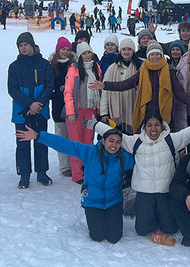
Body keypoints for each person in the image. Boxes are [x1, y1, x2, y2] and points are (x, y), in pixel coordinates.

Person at [90, 111, 190, 237]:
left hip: (165, 193)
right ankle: (151, 215)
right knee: (142, 230)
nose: (153, 129)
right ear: (144, 127)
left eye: (157, 125)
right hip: (144, 194)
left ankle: (160, 215)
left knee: (170, 229)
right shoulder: (135, 141)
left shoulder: (171, 140)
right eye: (149, 125)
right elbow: (113, 133)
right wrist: (95, 125)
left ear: (162, 126)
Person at [16, 124, 134, 243]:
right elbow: (65, 145)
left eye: (118, 142)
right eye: (111, 141)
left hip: (114, 201)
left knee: (114, 238)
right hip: (93, 201)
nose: (114, 145)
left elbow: (143, 159)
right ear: (103, 141)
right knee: (97, 236)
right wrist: (38, 136)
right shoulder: (90, 152)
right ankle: (87, 193)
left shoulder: (125, 158)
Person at [93, 41, 190, 132]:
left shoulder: (168, 71)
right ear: (148, 56)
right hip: (146, 115)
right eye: (152, 54)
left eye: (157, 54)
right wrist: (104, 85)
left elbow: (179, 91)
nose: (155, 57)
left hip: (164, 114)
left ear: (161, 55)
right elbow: (126, 84)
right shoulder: (143, 70)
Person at [8, 31, 54, 189]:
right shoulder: (14, 67)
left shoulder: (44, 64)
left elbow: (49, 86)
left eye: (25, 45)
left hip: (40, 110)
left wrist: (38, 104)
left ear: (32, 45)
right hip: (22, 112)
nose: (23, 48)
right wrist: (29, 104)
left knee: (41, 141)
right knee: (23, 143)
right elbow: (12, 89)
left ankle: (42, 172)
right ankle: (24, 174)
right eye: (20, 46)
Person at [64, 42, 102, 184]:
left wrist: (98, 111)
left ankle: (87, 170)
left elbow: (99, 91)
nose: (87, 55)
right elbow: (68, 92)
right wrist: (71, 112)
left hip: (90, 111)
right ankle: (77, 174)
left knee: (88, 142)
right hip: (76, 112)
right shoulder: (73, 69)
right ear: (80, 55)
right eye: (84, 53)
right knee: (76, 143)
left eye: (89, 52)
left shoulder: (96, 68)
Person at [99, 38, 140, 135]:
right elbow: (105, 91)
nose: (126, 52)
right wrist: (104, 112)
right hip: (116, 113)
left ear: (133, 51)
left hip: (133, 109)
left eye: (129, 49)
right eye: (124, 49)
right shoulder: (112, 68)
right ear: (120, 51)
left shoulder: (139, 66)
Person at [49, 36, 75, 178]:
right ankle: (65, 165)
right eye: (62, 49)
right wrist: (57, 92)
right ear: (58, 50)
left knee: (73, 136)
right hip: (59, 107)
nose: (65, 52)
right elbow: (48, 86)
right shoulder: (52, 66)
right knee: (62, 136)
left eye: (67, 49)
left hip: (73, 106)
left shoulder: (74, 64)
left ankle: (75, 163)